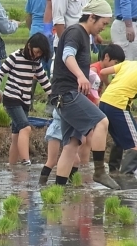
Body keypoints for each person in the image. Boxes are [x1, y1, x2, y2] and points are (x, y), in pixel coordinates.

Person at [50, 0, 120, 189]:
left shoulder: (84, 35)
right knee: (102, 122)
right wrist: (81, 76)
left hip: (63, 95)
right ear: (91, 17)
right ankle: (99, 171)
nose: (103, 28)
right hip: (67, 93)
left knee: (73, 143)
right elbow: (67, 55)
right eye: (102, 24)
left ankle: (58, 190)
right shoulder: (76, 32)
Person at [0, 33, 52, 166]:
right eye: (36, 52)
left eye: (40, 54)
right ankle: (26, 162)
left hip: (24, 101)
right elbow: (0, 73)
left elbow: (44, 81)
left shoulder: (36, 62)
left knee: (17, 135)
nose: (37, 55)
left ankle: (12, 167)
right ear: (29, 46)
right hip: (11, 98)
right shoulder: (15, 57)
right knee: (26, 128)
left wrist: (54, 96)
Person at [78, 44, 126, 167]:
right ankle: (81, 166)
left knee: (89, 138)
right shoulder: (93, 71)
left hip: (92, 107)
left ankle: (84, 166)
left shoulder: (103, 71)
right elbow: (87, 92)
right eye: (115, 63)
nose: (116, 67)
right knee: (84, 139)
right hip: (85, 107)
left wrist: (108, 84)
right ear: (106, 57)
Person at [99, 60, 137, 188]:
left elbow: (103, 71)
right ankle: (126, 180)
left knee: (120, 139)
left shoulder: (128, 63)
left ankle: (113, 172)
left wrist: (108, 84)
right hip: (118, 105)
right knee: (135, 145)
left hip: (104, 102)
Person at [25, 0, 53, 111]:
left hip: (35, 32)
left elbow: (29, 17)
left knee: (32, 70)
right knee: (52, 70)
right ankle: (51, 105)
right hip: (50, 32)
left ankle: (28, 103)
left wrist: (33, 31)